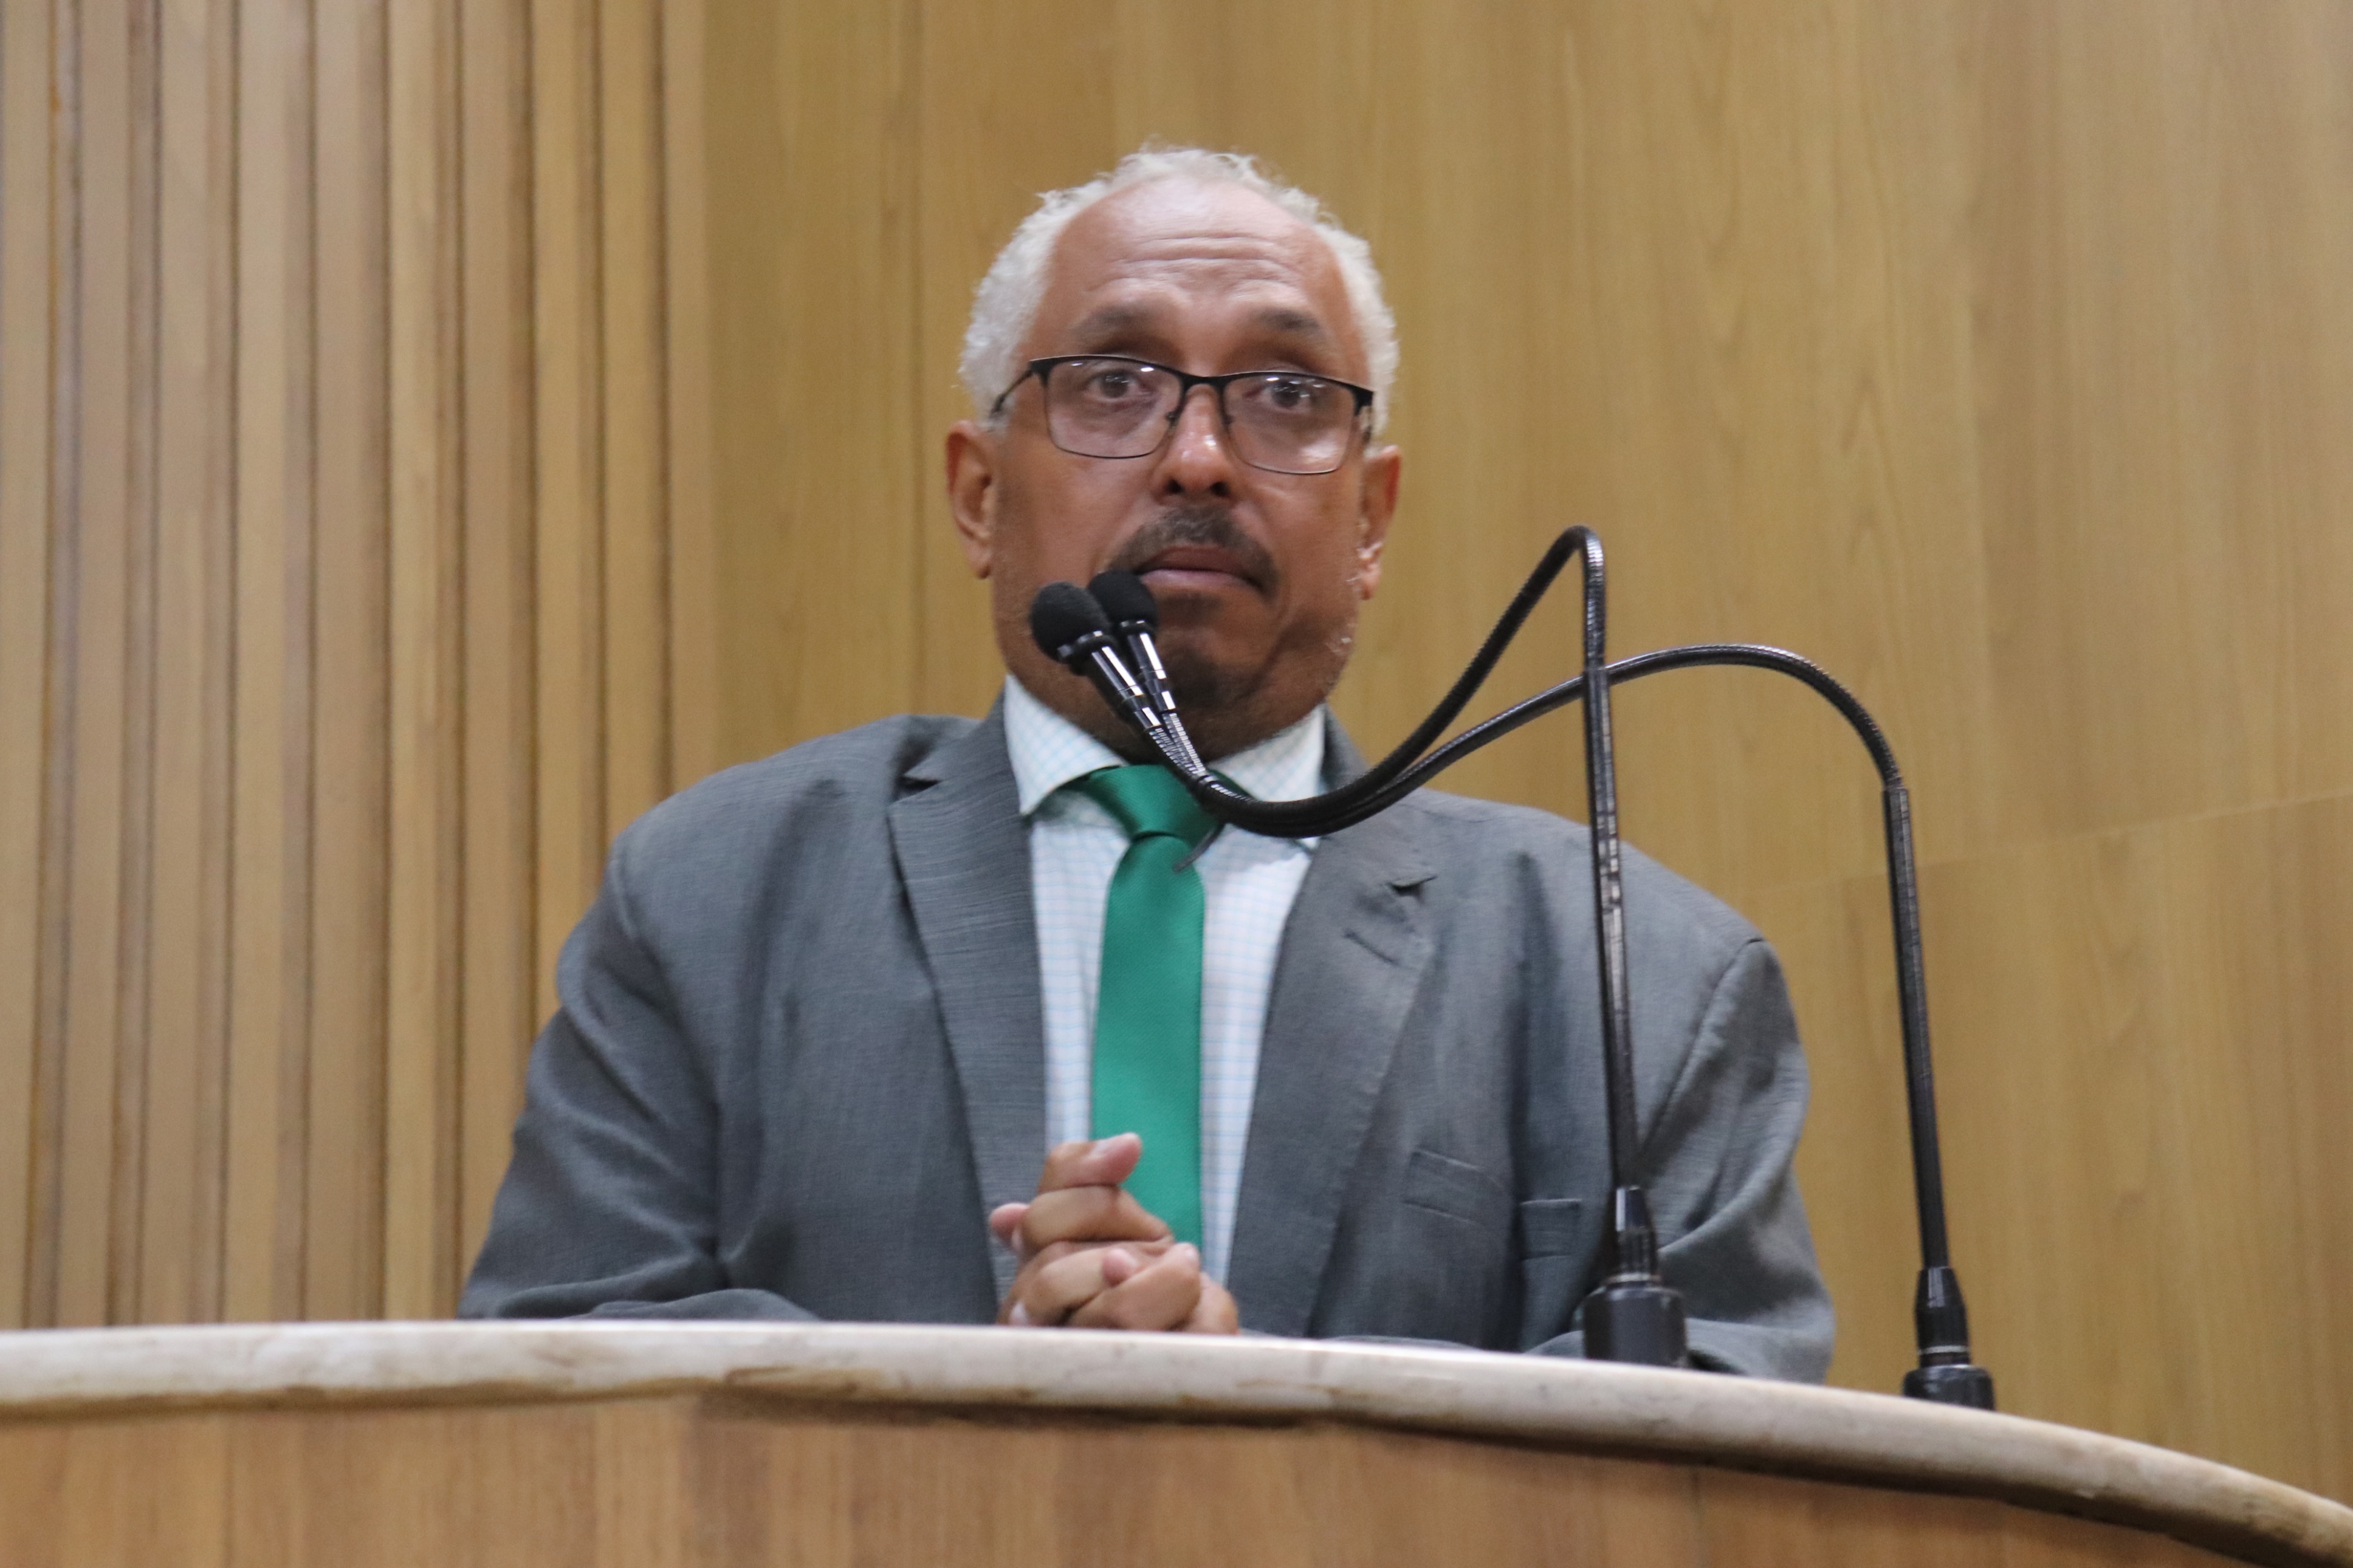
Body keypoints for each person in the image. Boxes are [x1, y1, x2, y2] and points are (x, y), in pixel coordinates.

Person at [461, 148, 1833, 1379]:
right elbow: (557, 1372)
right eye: (1115, 384)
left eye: (1286, 395)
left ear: (1371, 518)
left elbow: (1721, 1458)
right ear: (979, 495)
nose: (1198, 458)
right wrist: (975, 1409)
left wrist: (1268, 1415)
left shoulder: (1630, 972)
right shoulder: (710, 899)